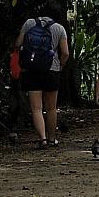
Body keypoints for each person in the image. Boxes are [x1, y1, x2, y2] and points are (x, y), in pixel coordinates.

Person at [15, 11, 70, 149]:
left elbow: (18, 44)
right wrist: (61, 65)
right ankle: (52, 139)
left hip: (31, 70)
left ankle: (42, 139)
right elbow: (65, 53)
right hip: (52, 70)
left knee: (36, 108)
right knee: (51, 108)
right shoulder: (59, 28)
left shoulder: (29, 23)